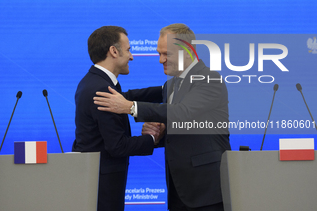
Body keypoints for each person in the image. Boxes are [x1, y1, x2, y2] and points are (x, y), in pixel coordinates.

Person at [94, 23, 231, 211]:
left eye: (167, 54)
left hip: (206, 191)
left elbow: (183, 113)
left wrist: (130, 107)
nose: (161, 60)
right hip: (178, 190)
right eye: (159, 53)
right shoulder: (171, 85)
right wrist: (158, 135)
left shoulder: (209, 79)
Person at [71, 26, 164, 211]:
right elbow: (118, 146)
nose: (131, 56)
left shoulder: (93, 81)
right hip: (104, 186)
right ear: (113, 51)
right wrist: (153, 138)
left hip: (95, 179)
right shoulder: (102, 89)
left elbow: (126, 97)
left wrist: (165, 91)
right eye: (129, 50)